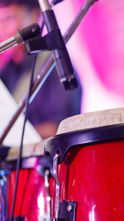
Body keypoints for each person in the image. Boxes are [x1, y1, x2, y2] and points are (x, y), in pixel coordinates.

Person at [0, 0, 81, 138]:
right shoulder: (6, 71)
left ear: (34, 17)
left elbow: (61, 129)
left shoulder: (54, 64)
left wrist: (14, 137)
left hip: (47, 157)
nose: (2, 29)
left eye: (9, 18)